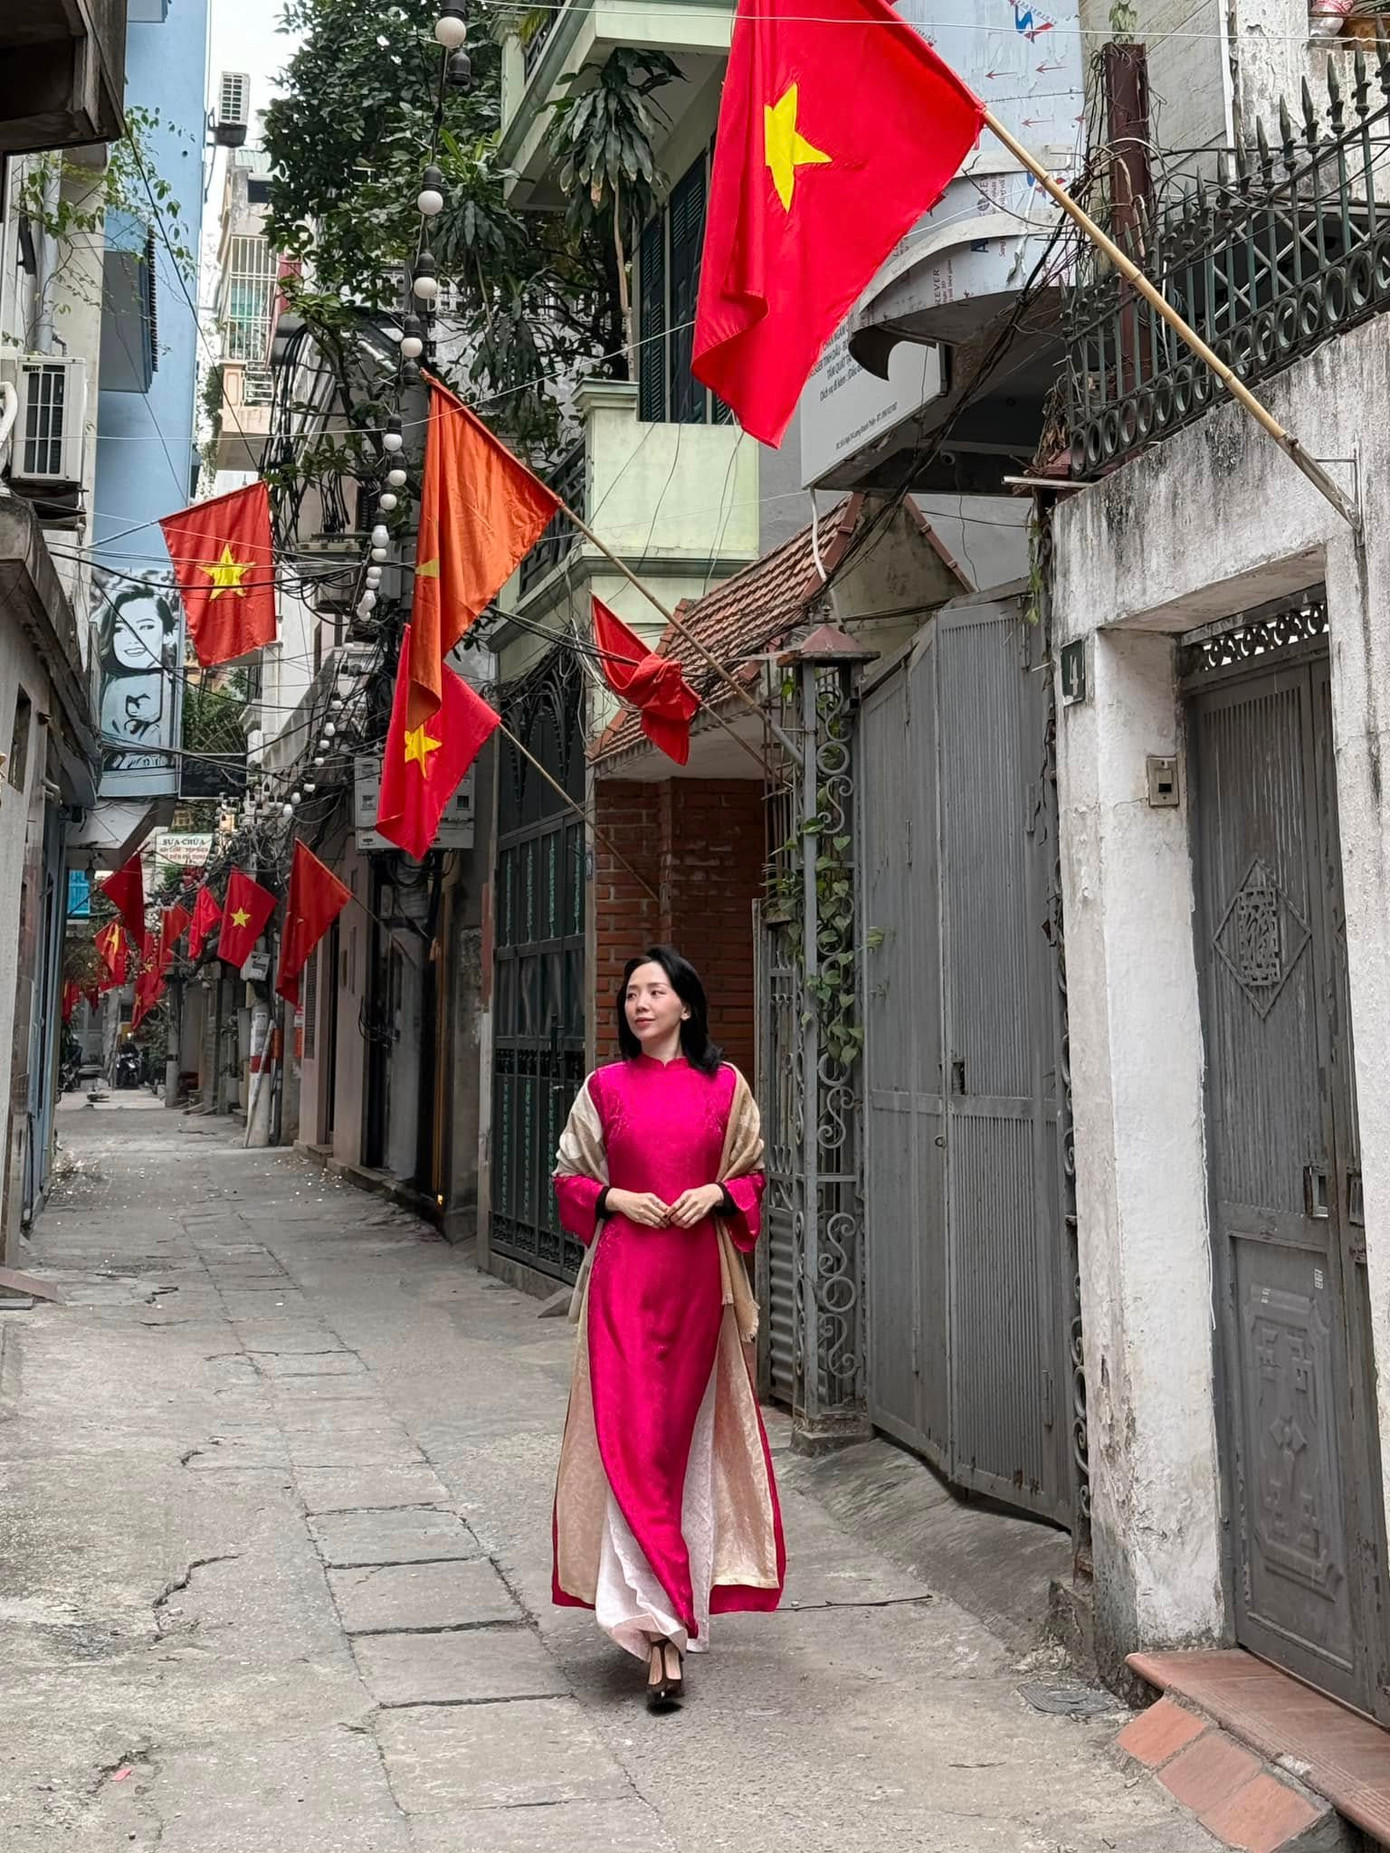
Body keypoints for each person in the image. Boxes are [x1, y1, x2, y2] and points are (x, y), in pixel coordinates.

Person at [551, 946, 785, 1711]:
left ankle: (667, 1619)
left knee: (673, 1450)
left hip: (694, 1288)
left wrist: (715, 1192)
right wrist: (616, 1198)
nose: (640, 1003)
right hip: (622, 1283)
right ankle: (659, 1630)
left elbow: (753, 1174)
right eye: (631, 993)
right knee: (631, 1441)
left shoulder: (726, 1086)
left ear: (686, 1003)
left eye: (655, 990)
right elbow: (568, 1176)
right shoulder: (603, 1088)